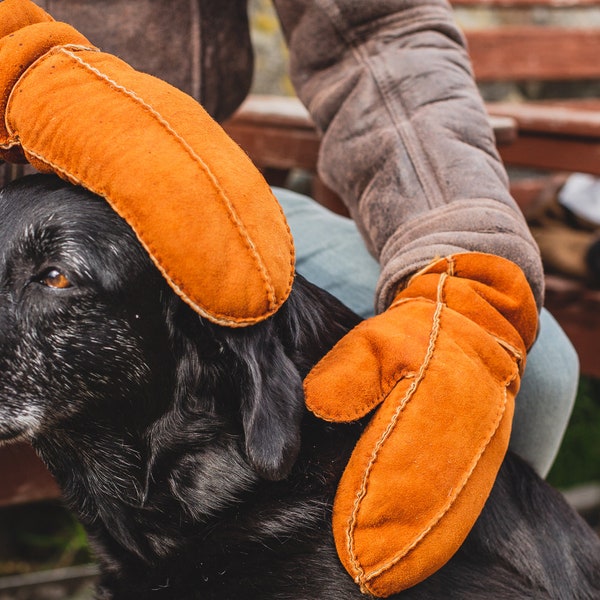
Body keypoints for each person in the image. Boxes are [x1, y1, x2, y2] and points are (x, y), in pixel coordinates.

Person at [0, 0, 579, 593]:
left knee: (536, 370)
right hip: (17, 192)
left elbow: (375, 34)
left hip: (196, 199)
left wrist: (466, 273)